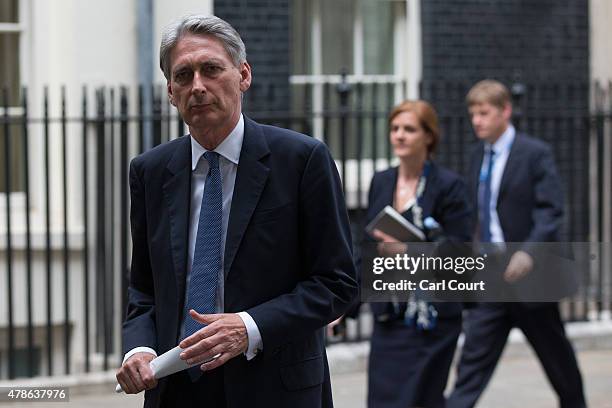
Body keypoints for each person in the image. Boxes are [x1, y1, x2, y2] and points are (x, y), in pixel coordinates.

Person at [115, 15, 358, 408]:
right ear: (171, 91)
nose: (197, 86)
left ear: (243, 75)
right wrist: (138, 349)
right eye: (183, 75)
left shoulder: (301, 160)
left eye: (211, 69)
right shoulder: (150, 171)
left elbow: (337, 283)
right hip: (177, 391)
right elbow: (144, 287)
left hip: (274, 387)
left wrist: (249, 327)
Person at [446, 79, 587, 408]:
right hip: (491, 277)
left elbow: (551, 210)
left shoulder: (534, 153)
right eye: (472, 114)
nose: (477, 120)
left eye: (484, 112)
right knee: (471, 364)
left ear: (505, 111)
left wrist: (528, 251)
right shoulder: (475, 156)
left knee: (558, 361)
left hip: (530, 279)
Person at [363, 100, 472, 408]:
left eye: (409, 129)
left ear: (428, 136)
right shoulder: (381, 181)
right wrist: (346, 305)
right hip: (389, 316)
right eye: (395, 129)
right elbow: (366, 249)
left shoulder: (450, 187)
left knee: (420, 399)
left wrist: (409, 251)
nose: (399, 135)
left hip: (432, 320)